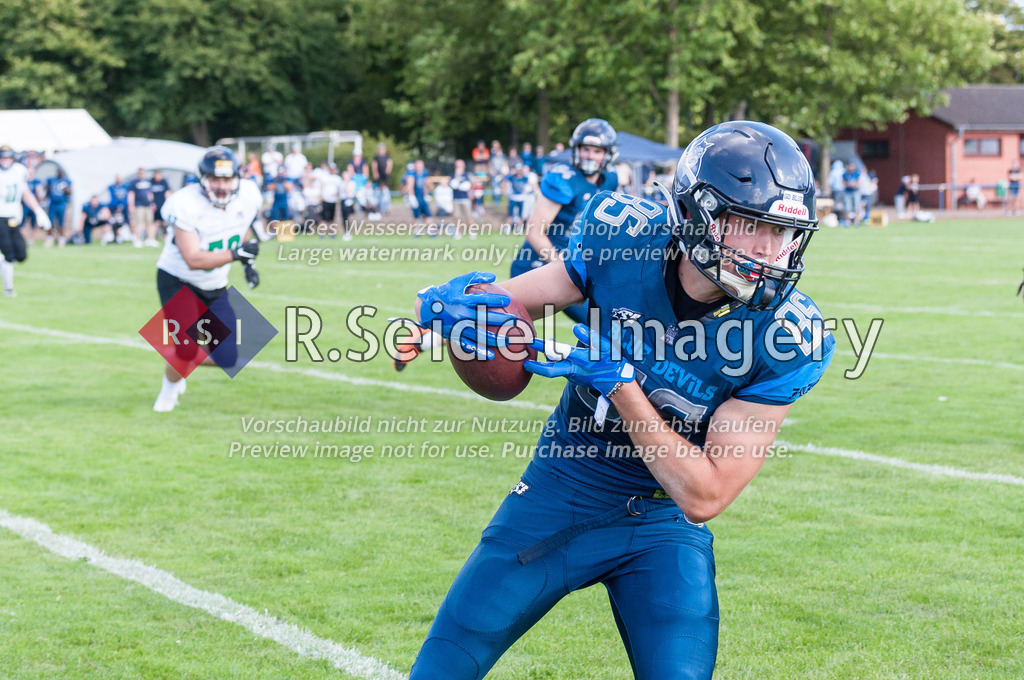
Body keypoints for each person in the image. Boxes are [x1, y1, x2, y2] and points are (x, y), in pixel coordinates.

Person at [403, 120, 834, 679]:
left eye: (781, 231)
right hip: (560, 490)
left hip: (663, 523)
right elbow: (519, 300)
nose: (768, 249)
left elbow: (704, 495)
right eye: (750, 225)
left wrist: (621, 384)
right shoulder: (623, 237)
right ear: (696, 216)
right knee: (440, 671)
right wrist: (460, 312)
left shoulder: (787, 336)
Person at [152, 146, 262, 413]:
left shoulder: (249, 195)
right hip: (178, 279)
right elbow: (193, 258)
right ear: (202, 179)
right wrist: (236, 254)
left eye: (226, 179)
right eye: (215, 179)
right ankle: (169, 389)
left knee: (228, 358)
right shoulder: (185, 203)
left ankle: (179, 362)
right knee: (187, 350)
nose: (221, 186)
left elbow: (241, 226)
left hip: (214, 284)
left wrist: (247, 261)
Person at [510, 118, 619, 322]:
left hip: (576, 265)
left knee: (612, 319)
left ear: (608, 154)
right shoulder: (564, 179)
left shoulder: (610, 179)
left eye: (597, 151)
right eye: (586, 149)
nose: (590, 155)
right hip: (539, 263)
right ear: (576, 149)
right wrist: (566, 269)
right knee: (496, 324)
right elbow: (534, 231)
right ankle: (434, 335)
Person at [0, 145, 51, 296]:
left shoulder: (19, 171)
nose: (5, 161)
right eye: (2, 157)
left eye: (7, 157)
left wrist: (39, 211)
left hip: (14, 218)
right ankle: (9, 288)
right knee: (9, 254)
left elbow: (25, 193)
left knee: (21, 255)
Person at [127, 167, 158, 247]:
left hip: (148, 206)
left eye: (142, 172)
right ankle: (137, 240)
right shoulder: (134, 182)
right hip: (138, 205)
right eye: (140, 172)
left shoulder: (148, 182)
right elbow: (131, 194)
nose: (141, 173)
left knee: (150, 223)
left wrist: (152, 203)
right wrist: (131, 205)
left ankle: (150, 239)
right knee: (139, 223)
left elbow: (150, 193)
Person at [45, 168, 73, 246]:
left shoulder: (66, 181)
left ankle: (61, 239)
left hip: (62, 204)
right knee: (50, 222)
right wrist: (44, 199)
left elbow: (69, 192)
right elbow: (48, 190)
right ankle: (49, 238)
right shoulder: (52, 180)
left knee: (62, 223)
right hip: (52, 204)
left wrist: (65, 188)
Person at [371, 143, 393, 215]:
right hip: (379, 176)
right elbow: (374, 165)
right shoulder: (376, 157)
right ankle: (379, 207)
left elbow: (390, 163)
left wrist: (388, 169)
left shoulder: (387, 156)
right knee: (379, 192)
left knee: (385, 191)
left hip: (385, 176)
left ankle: (386, 208)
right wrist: (375, 173)